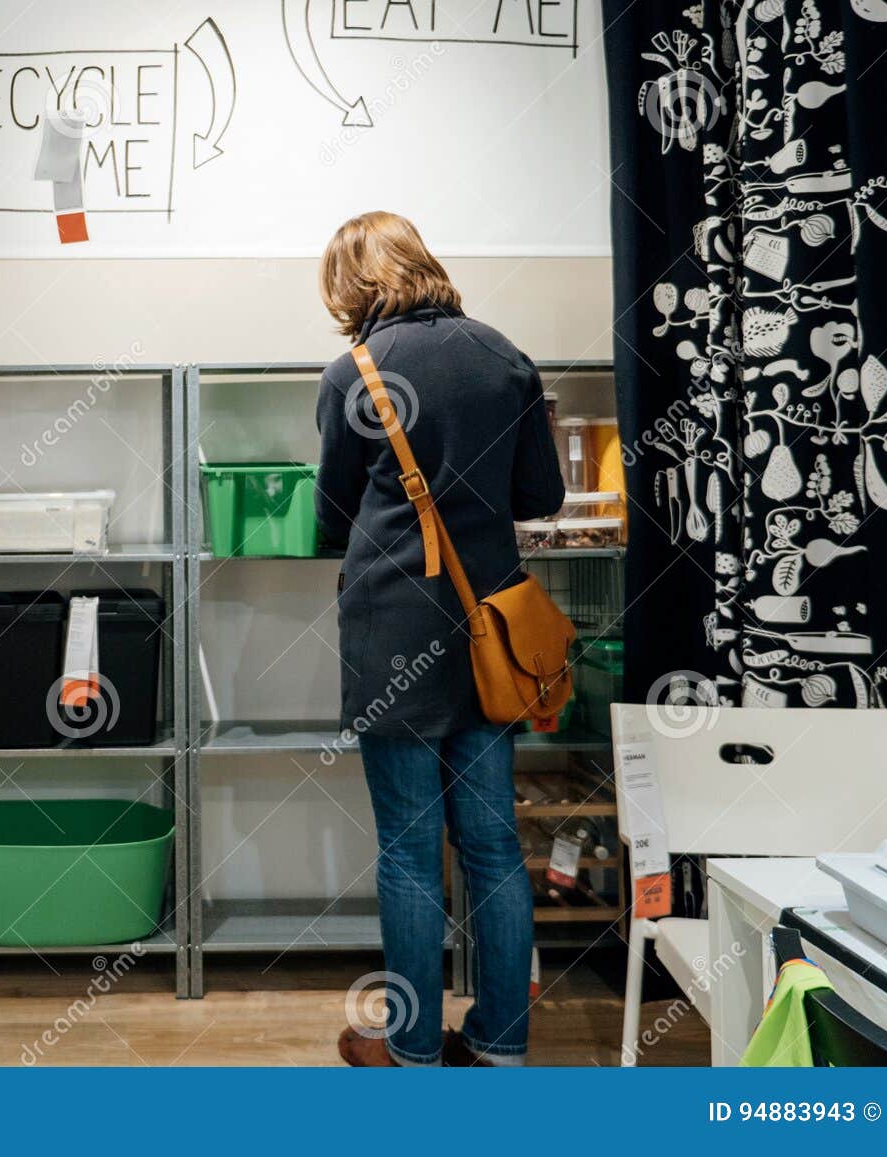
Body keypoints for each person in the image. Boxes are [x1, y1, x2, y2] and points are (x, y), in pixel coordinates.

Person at [315, 211, 564, 1067]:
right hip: (490, 633)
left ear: (355, 283)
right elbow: (541, 497)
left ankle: (415, 1048)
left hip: (392, 635)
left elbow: (331, 517)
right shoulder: (505, 356)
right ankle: (500, 1042)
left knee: (410, 850)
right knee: (493, 842)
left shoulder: (355, 372)